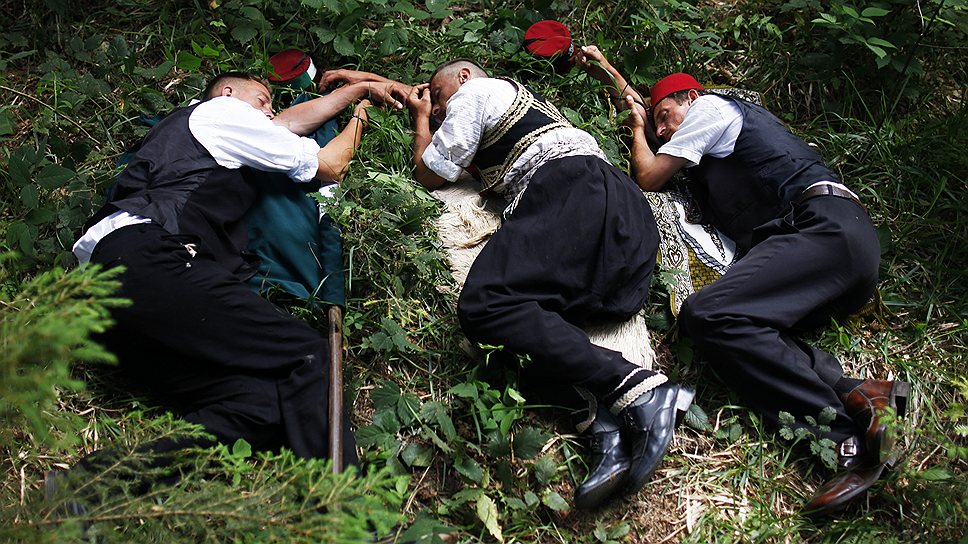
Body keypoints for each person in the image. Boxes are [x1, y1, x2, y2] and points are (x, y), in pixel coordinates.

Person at [576, 46, 911, 515]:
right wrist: (608, 72)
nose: (663, 130)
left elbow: (648, 176)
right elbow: (643, 100)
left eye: (667, 118)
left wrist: (636, 128)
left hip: (825, 227)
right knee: (742, 327)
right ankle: (861, 393)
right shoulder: (700, 133)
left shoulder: (713, 108)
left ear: (690, 97)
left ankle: (842, 443)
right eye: (656, 127)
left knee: (707, 312)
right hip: (833, 255)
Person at [71, 71, 408, 469]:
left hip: (111, 302)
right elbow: (327, 166)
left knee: (261, 405)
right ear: (228, 93)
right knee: (308, 353)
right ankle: (347, 518)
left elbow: (290, 122)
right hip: (145, 258)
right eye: (263, 100)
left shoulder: (211, 130)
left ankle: (94, 484)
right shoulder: (221, 113)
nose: (270, 111)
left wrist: (356, 90)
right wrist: (361, 117)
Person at [402, 58, 695, 510]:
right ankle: (606, 425)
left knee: (486, 304)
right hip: (623, 227)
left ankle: (642, 387)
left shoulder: (476, 93)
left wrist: (421, 117)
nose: (439, 110)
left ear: (462, 78)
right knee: (538, 323)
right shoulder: (529, 113)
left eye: (439, 97)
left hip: (573, 195)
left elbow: (429, 172)